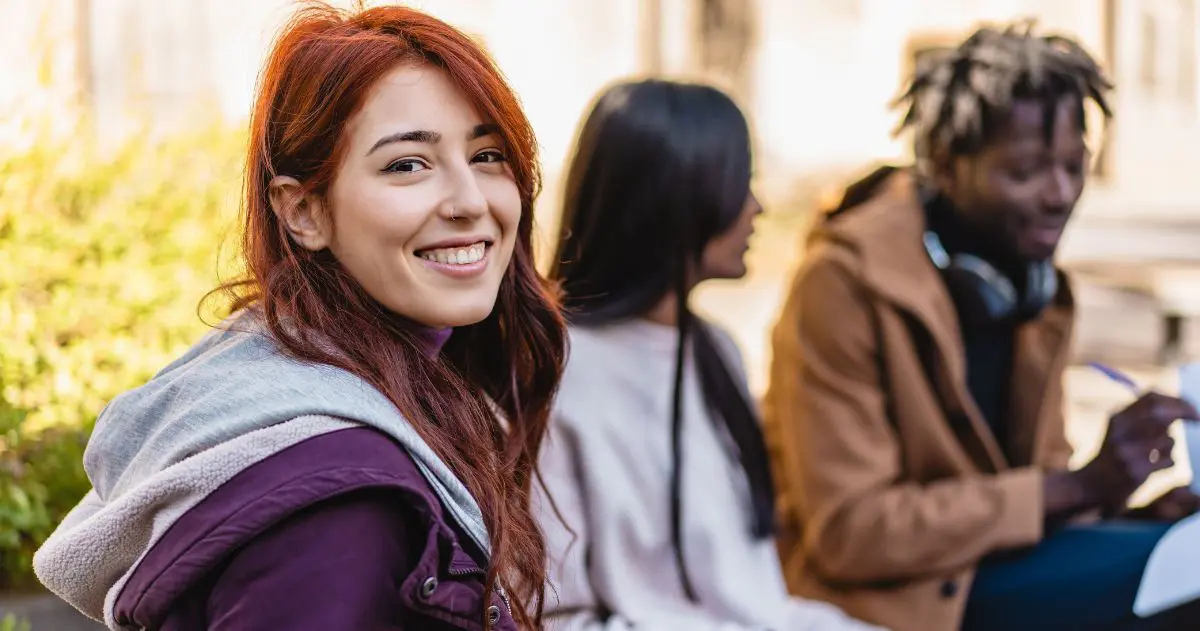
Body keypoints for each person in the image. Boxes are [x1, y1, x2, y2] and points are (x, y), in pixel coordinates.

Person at [32, 4, 566, 630]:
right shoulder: (339, 510)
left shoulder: (357, 387)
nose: (470, 201)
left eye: (487, 155)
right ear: (303, 212)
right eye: (406, 165)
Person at [762, 21, 1200, 631]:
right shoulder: (842, 284)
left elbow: (1034, 493)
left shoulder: (1035, 285)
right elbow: (850, 533)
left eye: (1075, 167)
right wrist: (1076, 488)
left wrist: (1125, 510)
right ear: (945, 166)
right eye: (1024, 172)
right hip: (898, 596)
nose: (1059, 194)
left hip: (994, 567)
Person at [535, 79, 883, 631]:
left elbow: (756, 601)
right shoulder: (554, 375)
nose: (758, 208)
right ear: (672, 198)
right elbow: (554, 616)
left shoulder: (716, 350)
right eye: (739, 184)